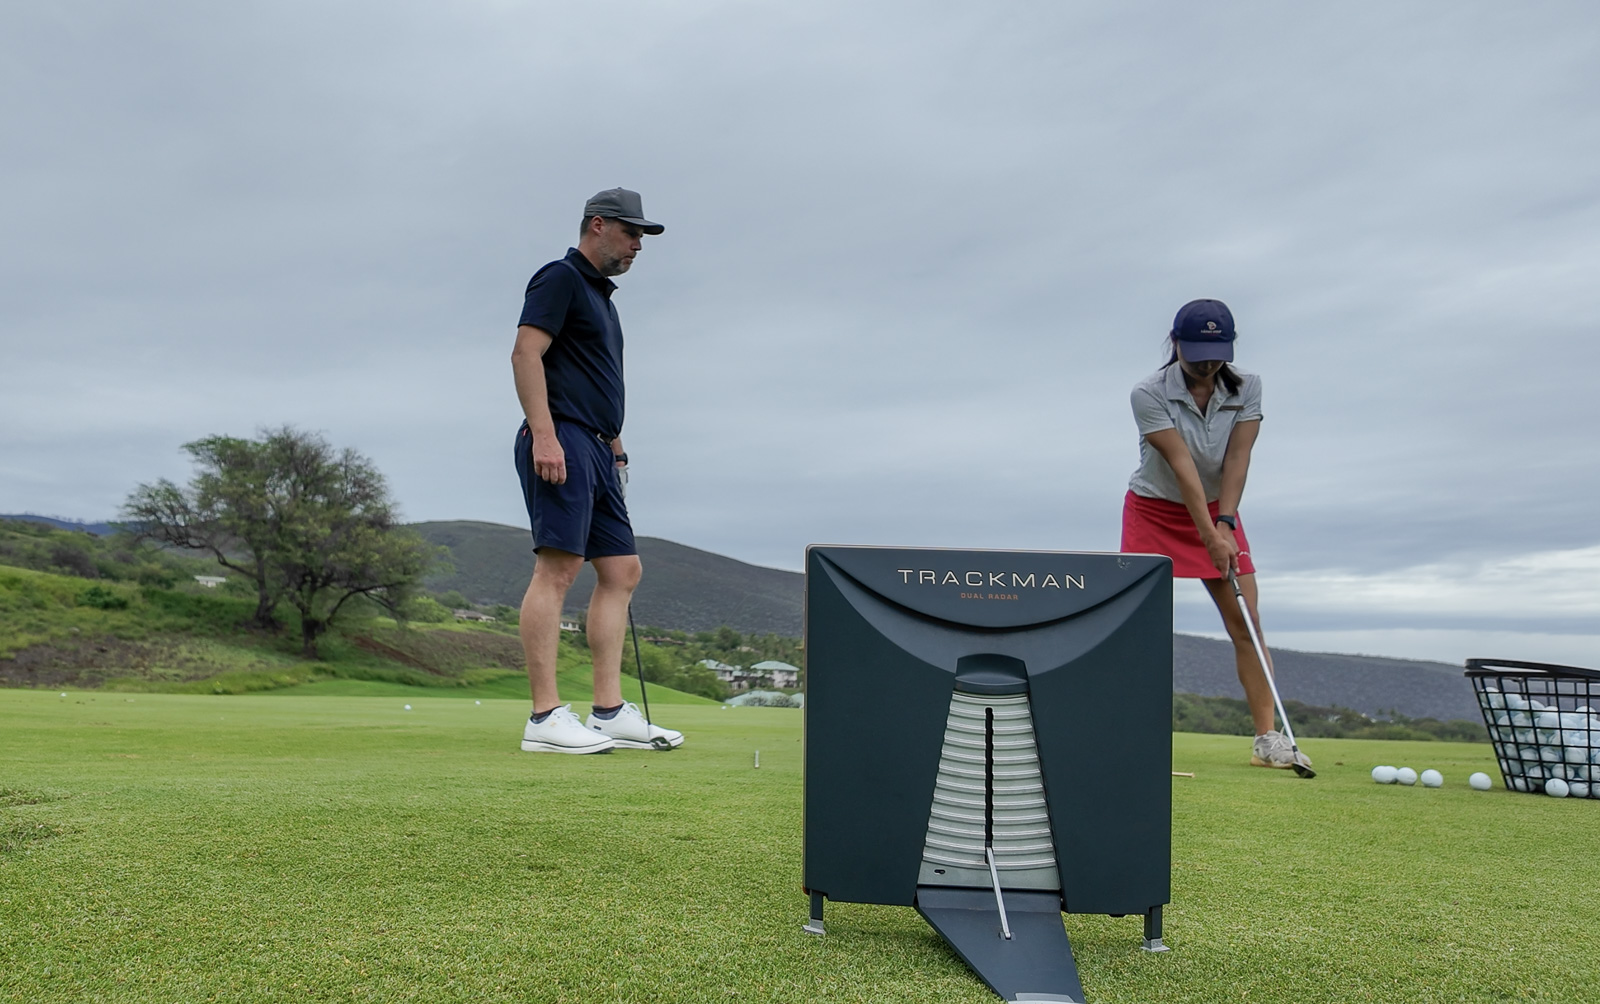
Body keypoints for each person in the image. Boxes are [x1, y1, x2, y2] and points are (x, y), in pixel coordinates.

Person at [509, 188, 683, 754]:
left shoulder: (603, 300)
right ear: (597, 225)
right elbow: (525, 353)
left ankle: (607, 712)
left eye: (642, 238)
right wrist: (545, 434)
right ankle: (544, 719)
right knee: (560, 569)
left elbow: (597, 382)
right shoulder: (558, 278)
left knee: (622, 570)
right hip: (561, 440)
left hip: (599, 449)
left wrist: (618, 449)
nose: (637, 246)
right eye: (632, 234)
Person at [1120, 299, 1309, 771]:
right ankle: (1127, 730)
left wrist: (1224, 524)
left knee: (1246, 622)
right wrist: (1208, 533)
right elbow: (1181, 464)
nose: (1207, 361)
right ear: (1176, 342)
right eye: (1198, 350)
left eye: (1217, 350)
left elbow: (1238, 459)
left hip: (1218, 509)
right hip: (1155, 511)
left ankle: (1268, 739)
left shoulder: (1248, 387)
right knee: (1139, 628)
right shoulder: (1148, 392)